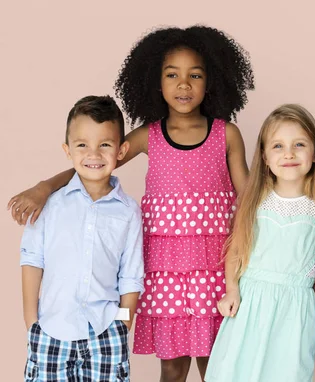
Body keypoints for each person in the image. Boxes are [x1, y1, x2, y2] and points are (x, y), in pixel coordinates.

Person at [9, 25, 254, 381]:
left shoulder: (226, 134)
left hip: (215, 267)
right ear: (156, 82)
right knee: (172, 367)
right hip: (164, 271)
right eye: (172, 75)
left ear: (211, 81)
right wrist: (44, 187)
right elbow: (94, 163)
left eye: (195, 75)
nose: (183, 85)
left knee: (217, 364)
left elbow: (248, 198)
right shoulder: (148, 135)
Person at [205, 104, 315, 381]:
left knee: (286, 372)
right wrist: (231, 290)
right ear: (264, 156)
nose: (288, 153)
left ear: (314, 154)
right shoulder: (256, 202)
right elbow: (237, 249)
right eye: (278, 146)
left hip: (293, 313)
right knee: (237, 371)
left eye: (299, 144)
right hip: (250, 305)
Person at [20, 95, 144, 381]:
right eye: (82, 145)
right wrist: (32, 323)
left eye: (105, 145)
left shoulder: (128, 212)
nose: (94, 154)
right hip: (52, 331)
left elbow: (131, 276)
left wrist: (121, 326)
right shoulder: (49, 204)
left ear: (122, 150)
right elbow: (31, 260)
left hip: (105, 334)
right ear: (67, 150)